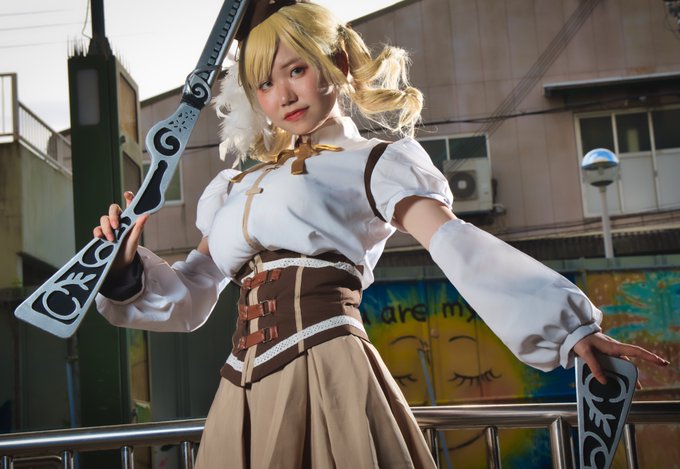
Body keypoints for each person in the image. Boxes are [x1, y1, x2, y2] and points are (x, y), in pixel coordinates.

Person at [94, 1, 670, 467]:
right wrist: (122, 267)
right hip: (238, 394)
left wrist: (569, 328)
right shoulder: (236, 186)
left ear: (337, 63)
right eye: (264, 84)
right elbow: (194, 291)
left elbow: (455, 243)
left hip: (327, 373)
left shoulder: (374, 162)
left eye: (296, 69)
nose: (284, 95)